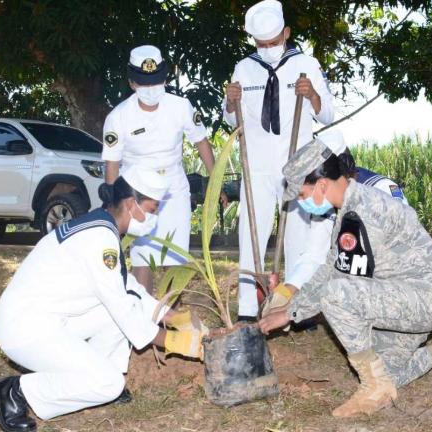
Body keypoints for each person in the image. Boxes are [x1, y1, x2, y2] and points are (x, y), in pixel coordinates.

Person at [259, 139, 432, 417]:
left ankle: (373, 386)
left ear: (322, 185)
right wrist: (290, 308)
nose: (301, 202)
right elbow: (331, 265)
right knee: (390, 373)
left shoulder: (361, 213)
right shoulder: (351, 207)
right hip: (405, 297)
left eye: (301, 194)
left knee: (336, 295)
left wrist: (290, 313)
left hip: (428, 299)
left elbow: (337, 281)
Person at [0, 166, 207, 432]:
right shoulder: (100, 240)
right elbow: (123, 308)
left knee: (115, 317)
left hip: (47, 318)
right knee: (108, 382)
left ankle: (97, 377)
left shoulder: (102, 225)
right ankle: (15, 391)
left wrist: (170, 316)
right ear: (130, 204)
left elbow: (127, 287)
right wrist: (174, 341)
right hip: (25, 330)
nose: (154, 217)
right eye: (152, 209)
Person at [223, 0, 335, 321]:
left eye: (274, 42)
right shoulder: (244, 68)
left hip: (297, 162)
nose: (269, 49)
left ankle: (297, 308)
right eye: (262, 44)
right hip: (256, 163)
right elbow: (231, 120)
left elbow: (327, 113)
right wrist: (231, 102)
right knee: (251, 232)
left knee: (299, 236)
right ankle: (247, 308)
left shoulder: (307, 64)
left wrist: (312, 94)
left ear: (286, 33)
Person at [102, 44, 227, 293]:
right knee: (143, 261)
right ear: (132, 83)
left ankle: (171, 320)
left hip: (174, 191)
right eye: (144, 83)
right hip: (137, 197)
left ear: (165, 79)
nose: (151, 89)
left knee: (175, 261)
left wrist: (216, 183)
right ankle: (145, 320)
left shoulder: (180, 106)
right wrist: (113, 205)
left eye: (156, 81)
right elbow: (112, 163)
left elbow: (202, 142)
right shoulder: (119, 116)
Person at [261, 130, 409, 317]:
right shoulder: (327, 204)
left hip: (398, 287)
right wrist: (285, 293)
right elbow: (314, 256)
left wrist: (296, 309)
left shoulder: (382, 191)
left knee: (336, 295)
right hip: (365, 288)